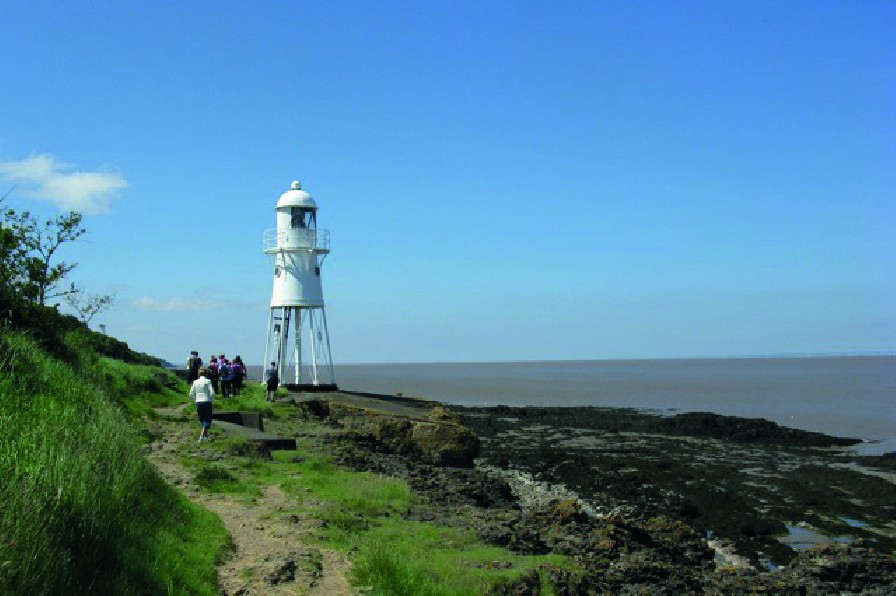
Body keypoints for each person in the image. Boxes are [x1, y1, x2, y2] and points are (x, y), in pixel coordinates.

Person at [189, 367, 215, 442]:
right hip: (207, 401)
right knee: (208, 419)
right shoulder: (208, 381)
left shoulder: (195, 382)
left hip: (198, 401)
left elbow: (191, 394)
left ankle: (205, 437)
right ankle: (201, 436)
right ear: (206, 373)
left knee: (202, 419)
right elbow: (212, 393)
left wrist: (195, 398)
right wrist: (212, 398)